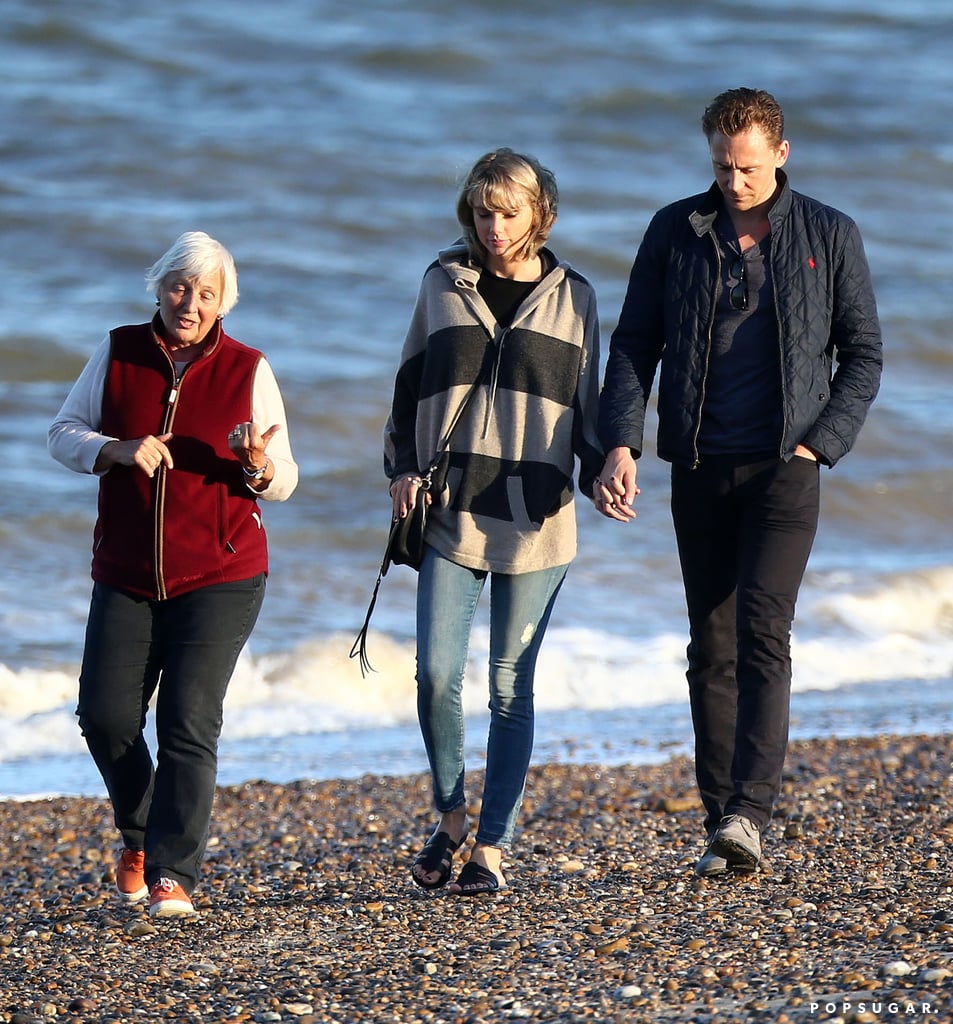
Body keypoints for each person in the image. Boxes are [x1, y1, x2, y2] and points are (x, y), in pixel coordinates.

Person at [595, 89, 882, 877]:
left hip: (785, 469)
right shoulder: (674, 231)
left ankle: (750, 813)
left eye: (748, 167)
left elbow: (862, 355)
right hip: (698, 464)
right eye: (721, 167)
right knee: (708, 645)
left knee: (762, 632)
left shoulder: (828, 233)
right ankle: (722, 817)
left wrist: (818, 446)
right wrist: (618, 442)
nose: (733, 182)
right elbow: (632, 347)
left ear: (780, 154)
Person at [48, 231, 298, 917]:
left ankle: (172, 872)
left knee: (188, 719)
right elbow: (62, 434)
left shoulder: (249, 368)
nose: (190, 303)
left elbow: (284, 481)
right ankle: (139, 832)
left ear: (225, 302)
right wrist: (115, 449)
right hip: (126, 570)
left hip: (221, 572)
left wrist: (258, 466)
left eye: (207, 293)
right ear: (159, 286)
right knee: (104, 718)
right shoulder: (119, 350)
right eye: (180, 287)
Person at [385, 148, 603, 895]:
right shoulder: (441, 283)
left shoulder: (575, 295)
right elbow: (408, 382)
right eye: (482, 211)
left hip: (538, 518)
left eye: (508, 212)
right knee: (435, 674)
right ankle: (450, 815)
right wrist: (399, 471)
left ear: (538, 214)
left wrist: (610, 464)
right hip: (449, 508)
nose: (494, 225)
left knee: (511, 685)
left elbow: (590, 404)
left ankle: (492, 847)